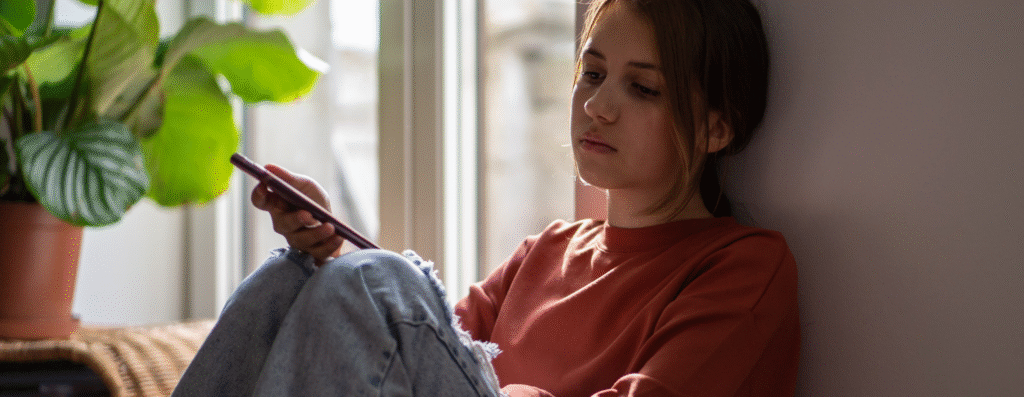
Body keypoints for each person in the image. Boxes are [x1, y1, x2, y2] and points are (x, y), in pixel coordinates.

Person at [172, 0, 799, 396]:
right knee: (290, 280)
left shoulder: (743, 265)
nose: (598, 105)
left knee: (379, 280)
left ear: (716, 127)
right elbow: (412, 356)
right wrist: (327, 250)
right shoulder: (544, 253)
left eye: (644, 89)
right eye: (592, 73)